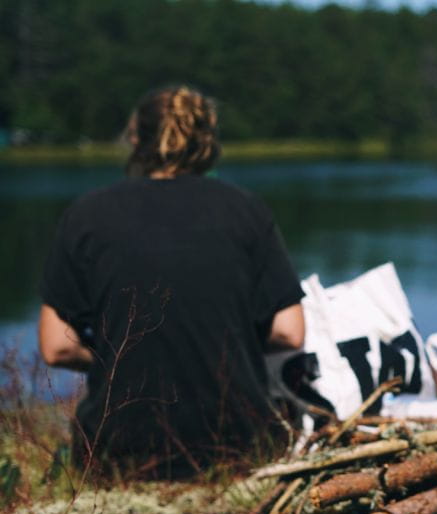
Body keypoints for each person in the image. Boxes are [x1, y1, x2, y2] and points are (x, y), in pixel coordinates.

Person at [38, 86, 305, 477]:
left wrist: (118, 358)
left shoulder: (86, 215)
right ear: (209, 142)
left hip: (116, 456)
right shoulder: (246, 211)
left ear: (134, 139)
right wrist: (225, 346)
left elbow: (56, 347)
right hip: (235, 449)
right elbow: (290, 331)